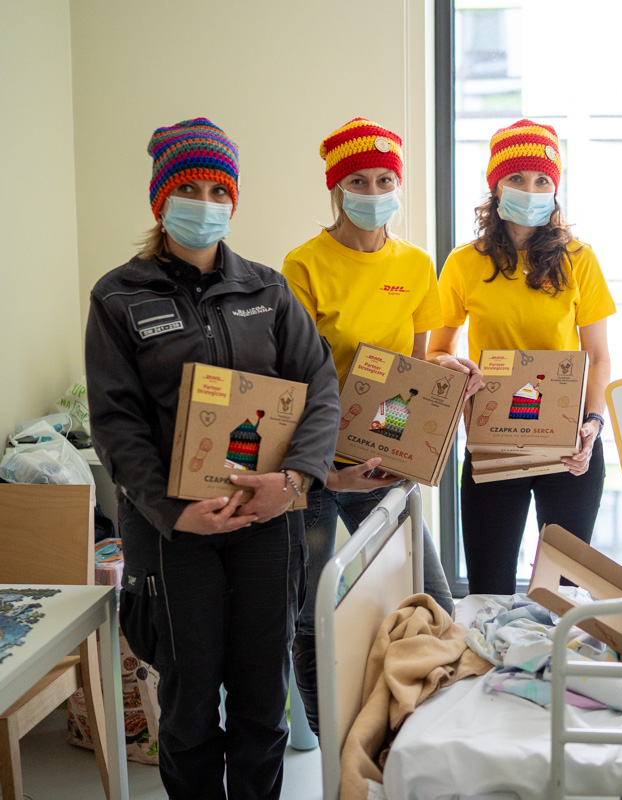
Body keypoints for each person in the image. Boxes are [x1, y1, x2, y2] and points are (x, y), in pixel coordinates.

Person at [85, 118, 341, 798]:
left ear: (233, 200)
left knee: (262, 695)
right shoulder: (118, 298)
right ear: (160, 201)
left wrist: (292, 481)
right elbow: (116, 422)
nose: (204, 202)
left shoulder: (267, 290)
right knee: (191, 697)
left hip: (267, 520)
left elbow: (320, 387)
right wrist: (174, 510)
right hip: (176, 532)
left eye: (216, 189)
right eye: (188, 188)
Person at [282, 117, 471, 736]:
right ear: (336, 189)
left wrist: (445, 370)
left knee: (434, 595)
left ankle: (433, 732)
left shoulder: (416, 266)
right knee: (312, 610)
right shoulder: (304, 264)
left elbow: (413, 370)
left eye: (384, 178)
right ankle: (329, 741)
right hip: (314, 461)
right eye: (357, 181)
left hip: (385, 453)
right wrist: (330, 467)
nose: (372, 191)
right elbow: (297, 374)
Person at [428, 119, 616, 595]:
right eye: (517, 178)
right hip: (493, 443)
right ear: (496, 184)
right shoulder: (463, 263)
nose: (530, 191)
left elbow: (598, 357)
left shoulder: (579, 259)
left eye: (542, 181)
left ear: (555, 189)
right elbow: (436, 351)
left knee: (564, 593)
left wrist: (593, 425)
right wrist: (455, 370)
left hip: (570, 443)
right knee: (489, 589)